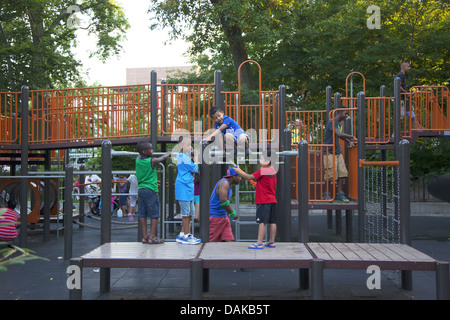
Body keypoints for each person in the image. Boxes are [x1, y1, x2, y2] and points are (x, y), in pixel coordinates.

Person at [235, 151, 277, 249]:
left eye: (262, 158)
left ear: (268, 161)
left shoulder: (263, 170)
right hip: (272, 200)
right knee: (272, 221)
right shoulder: (273, 171)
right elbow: (268, 185)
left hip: (263, 200)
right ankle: (272, 241)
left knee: (262, 221)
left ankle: (259, 243)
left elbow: (248, 176)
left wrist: (239, 172)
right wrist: (257, 185)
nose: (259, 160)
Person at [136, 141, 171, 244]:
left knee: (142, 213)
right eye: (150, 149)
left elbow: (140, 154)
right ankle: (152, 236)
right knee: (154, 214)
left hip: (141, 189)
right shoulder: (151, 161)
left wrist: (145, 152)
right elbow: (161, 159)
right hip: (151, 190)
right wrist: (168, 154)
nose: (152, 151)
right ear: (144, 151)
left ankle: (145, 236)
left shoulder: (137, 160)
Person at [322, 109, 357, 203]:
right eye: (345, 113)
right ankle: (326, 194)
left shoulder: (340, 124)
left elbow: (340, 136)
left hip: (337, 151)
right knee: (330, 173)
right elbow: (338, 133)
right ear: (339, 113)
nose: (346, 116)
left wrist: (349, 142)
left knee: (342, 172)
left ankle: (340, 194)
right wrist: (351, 136)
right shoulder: (332, 122)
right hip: (329, 151)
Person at [175, 137, 201, 245]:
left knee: (190, 214)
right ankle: (186, 236)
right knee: (185, 215)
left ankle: (182, 234)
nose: (191, 147)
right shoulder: (182, 157)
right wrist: (197, 157)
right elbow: (195, 168)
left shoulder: (184, 156)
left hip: (188, 188)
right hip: (184, 188)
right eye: (188, 145)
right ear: (181, 146)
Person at [209, 167, 241, 242]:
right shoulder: (224, 183)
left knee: (228, 240)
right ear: (233, 176)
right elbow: (223, 201)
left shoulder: (229, 184)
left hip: (223, 217)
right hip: (215, 217)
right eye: (239, 176)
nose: (240, 179)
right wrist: (232, 213)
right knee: (208, 242)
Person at [393, 61, 423, 129]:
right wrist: (406, 93)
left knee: (411, 113)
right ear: (404, 67)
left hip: (403, 98)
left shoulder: (402, 75)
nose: (409, 68)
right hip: (399, 98)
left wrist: (408, 94)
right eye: (408, 66)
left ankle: (416, 127)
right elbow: (398, 86)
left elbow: (401, 88)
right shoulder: (400, 75)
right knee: (399, 115)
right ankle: (394, 133)